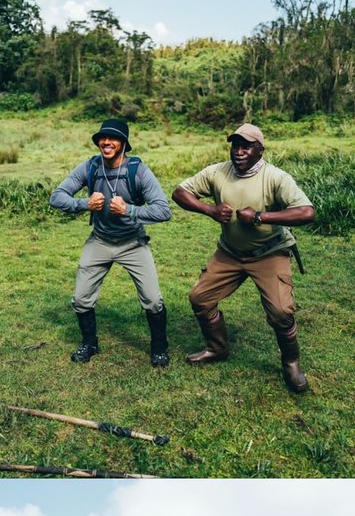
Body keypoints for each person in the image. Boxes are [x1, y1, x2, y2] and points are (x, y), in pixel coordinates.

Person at [172, 124, 315, 392]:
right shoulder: (217, 172)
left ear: (260, 150)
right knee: (200, 299)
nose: (238, 152)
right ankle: (217, 348)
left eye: (246, 146)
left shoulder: (275, 177)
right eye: (235, 145)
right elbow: (179, 192)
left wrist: (261, 216)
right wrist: (210, 210)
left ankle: (292, 362)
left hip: (268, 252)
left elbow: (307, 213)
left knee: (281, 312)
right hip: (230, 252)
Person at [49, 117, 172, 366]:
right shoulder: (91, 167)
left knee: (152, 300)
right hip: (100, 240)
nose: (106, 142)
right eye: (102, 138)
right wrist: (83, 204)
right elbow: (56, 197)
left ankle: (159, 347)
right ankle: (90, 343)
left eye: (113, 138)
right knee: (81, 298)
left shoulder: (138, 171)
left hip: (132, 243)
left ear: (123, 143)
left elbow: (163, 210)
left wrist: (130, 210)